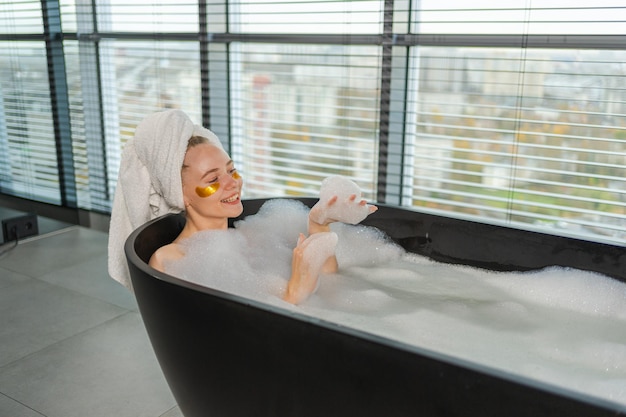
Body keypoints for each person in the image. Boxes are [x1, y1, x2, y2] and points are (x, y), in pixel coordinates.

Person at [108, 109, 376, 304]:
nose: (232, 183)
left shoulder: (251, 237)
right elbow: (220, 337)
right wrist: (295, 292)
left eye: (232, 170)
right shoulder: (170, 260)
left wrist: (319, 225)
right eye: (213, 179)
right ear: (181, 195)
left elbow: (330, 281)